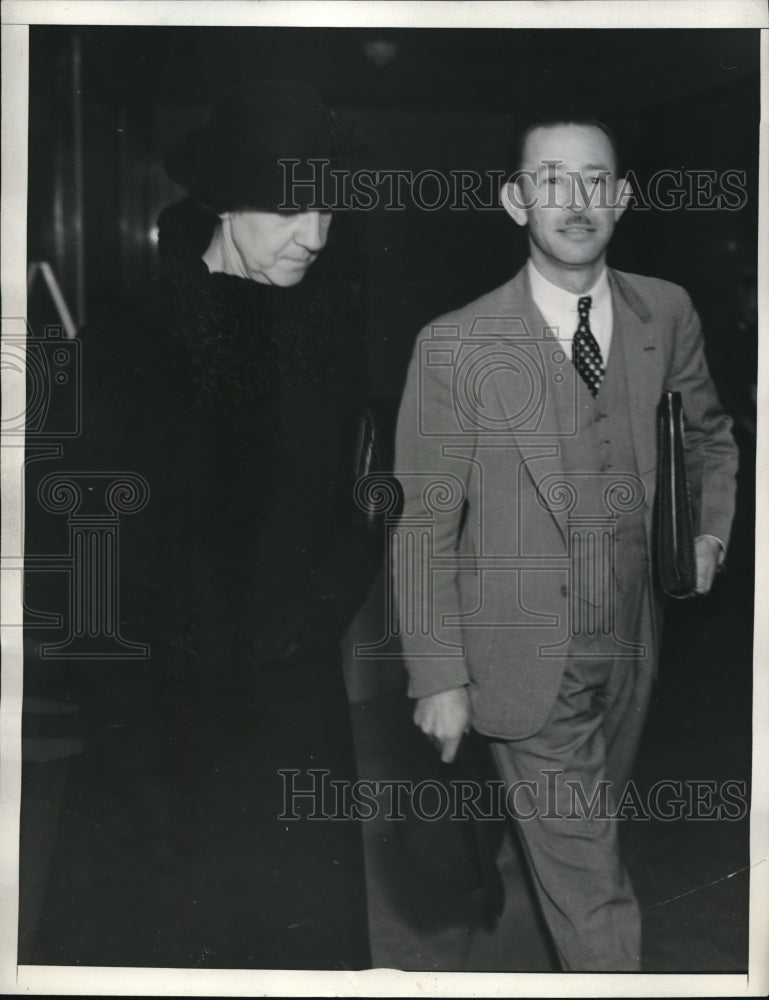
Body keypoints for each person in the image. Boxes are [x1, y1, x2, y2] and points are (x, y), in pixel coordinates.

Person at [39, 80, 378, 969]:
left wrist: (325, 599)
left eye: (327, 212)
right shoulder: (129, 334)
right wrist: (127, 742)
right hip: (164, 721)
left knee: (297, 943)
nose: (313, 236)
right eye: (288, 211)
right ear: (224, 201)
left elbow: (370, 494)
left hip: (293, 701)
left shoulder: (330, 327)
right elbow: (85, 551)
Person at [393, 117, 738, 971]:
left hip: (628, 643)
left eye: (594, 181)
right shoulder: (454, 344)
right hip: (515, 653)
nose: (574, 202)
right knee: (592, 883)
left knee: (565, 840)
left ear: (620, 198)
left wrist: (705, 531)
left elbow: (708, 437)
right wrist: (437, 675)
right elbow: (422, 521)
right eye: (550, 181)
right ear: (515, 201)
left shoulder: (665, 310)